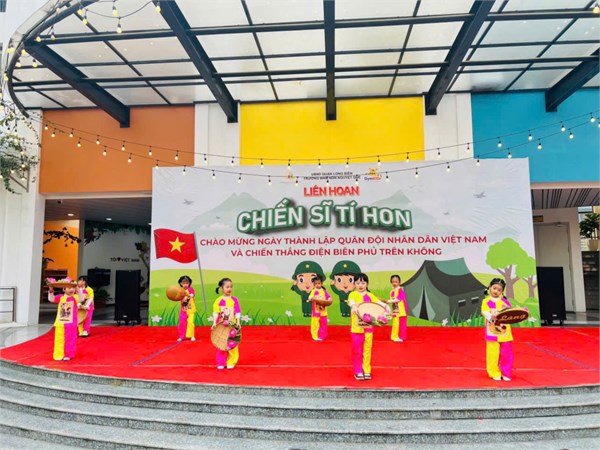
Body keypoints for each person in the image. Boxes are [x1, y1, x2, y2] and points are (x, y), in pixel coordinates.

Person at [348, 273, 390, 381]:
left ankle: (367, 370)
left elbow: (379, 303)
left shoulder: (370, 295)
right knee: (357, 350)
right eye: (358, 283)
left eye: (363, 283)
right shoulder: (352, 295)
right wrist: (354, 306)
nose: (360, 285)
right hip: (357, 328)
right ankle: (358, 371)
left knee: (367, 350)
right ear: (354, 284)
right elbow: (351, 302)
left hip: (368, 328)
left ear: (367, 284)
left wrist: (386, 306)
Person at [481, 278, 513, 381]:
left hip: (505, 332)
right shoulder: (486, 301)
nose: (496, 291)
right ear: (490, 287)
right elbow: (484, 312)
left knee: (506, 353)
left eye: (499, 290)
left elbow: (510, 312)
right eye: (494, 288)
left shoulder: (505, 302)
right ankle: (494, 372)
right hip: (492, 331)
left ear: (502, 291)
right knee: (492, 353)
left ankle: (506, 373)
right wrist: (492, 315)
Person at [47, 277, 83, 361]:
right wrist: (51, 290)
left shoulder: (75, 297)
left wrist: (77, 289)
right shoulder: (60, 297)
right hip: (60, 322)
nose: (71, 290)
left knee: (70, 339)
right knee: (59, 339)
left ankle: (68, 354)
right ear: (64, 289)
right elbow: (51, 299)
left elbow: (81, 299)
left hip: (71, 323)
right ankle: (58, 354)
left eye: (72, 288)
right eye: (69, 288)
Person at [212, 278, 241, 369]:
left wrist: (238, 322)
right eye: (227, 287)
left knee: (233, 344)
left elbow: (237, 312)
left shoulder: (234, 300)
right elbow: (216, 313)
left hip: (232, 326)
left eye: (231, 287)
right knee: (221, 344)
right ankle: (220, 362)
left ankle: (231, 361)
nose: (229, 289)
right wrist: (214, 323)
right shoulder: (218, 300)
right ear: (222, 288)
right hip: (221, 326)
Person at [308, 274, 331, 341]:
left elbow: (329, 297)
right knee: (315, 324)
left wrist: (329, 300)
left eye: (319, 283)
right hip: (316, 312)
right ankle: (315, 336)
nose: (317, 285)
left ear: (322, 283)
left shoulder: (324, 291)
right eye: (316, 283)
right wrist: (311, 298)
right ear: (314, 284)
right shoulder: (313, 291)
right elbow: (310, 297)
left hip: (323, 312)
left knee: (323, 324)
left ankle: (322, 336)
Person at [388, 274, 408, 342]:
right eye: (393, 282)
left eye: (396, 282)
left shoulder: (400, 290)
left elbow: (399, 298)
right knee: (395, 324)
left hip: (402, 310)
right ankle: (394, 336)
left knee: (402, 324)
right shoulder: (391, 292)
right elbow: (393, 301)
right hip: (395, 310)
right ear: (391, 282)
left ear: (399, 282)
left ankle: (401, 337)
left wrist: (390, 301)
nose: (394, 283)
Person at [177, 275, 196, 342]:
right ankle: (181, 336)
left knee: (190, 322)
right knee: (182, 322)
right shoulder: (180, 290)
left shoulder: (190, 289)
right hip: (183, 310)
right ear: (180, 283)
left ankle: (192, 335)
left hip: (191, 309)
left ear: (189, 283)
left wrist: (186, 294)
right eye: (183, 283)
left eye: (187, 283)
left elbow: (192, 295)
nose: (185, 284)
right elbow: (177, 297)